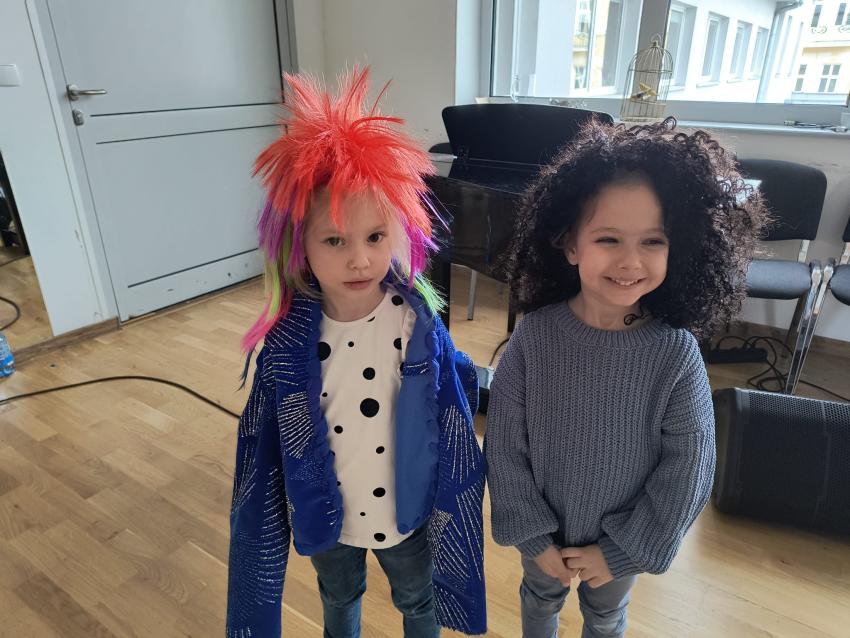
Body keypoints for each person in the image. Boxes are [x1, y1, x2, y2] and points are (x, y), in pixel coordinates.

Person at [226, 68, 486, 638]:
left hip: (405, 511)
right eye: (334, 240)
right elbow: (262, 443)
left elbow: (454, 394)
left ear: (397, 231)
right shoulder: (288, 341)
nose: (360, 259)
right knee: (339, 600)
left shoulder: (414, 322)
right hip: (328, 518)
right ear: (299, 244)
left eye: (374, 237)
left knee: (418, 601)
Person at [485, 117, 768, 638]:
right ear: (570, 244)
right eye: (608, 238)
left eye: (653, 241)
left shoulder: (675, 354)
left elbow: (689, 466)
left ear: (678, 246)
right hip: (541, 534)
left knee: (606, 616)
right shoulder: (534, 338)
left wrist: (623, 549)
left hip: (621, 542)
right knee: (539, 602)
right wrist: (531, 533)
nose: (630, 261)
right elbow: (503, 443)